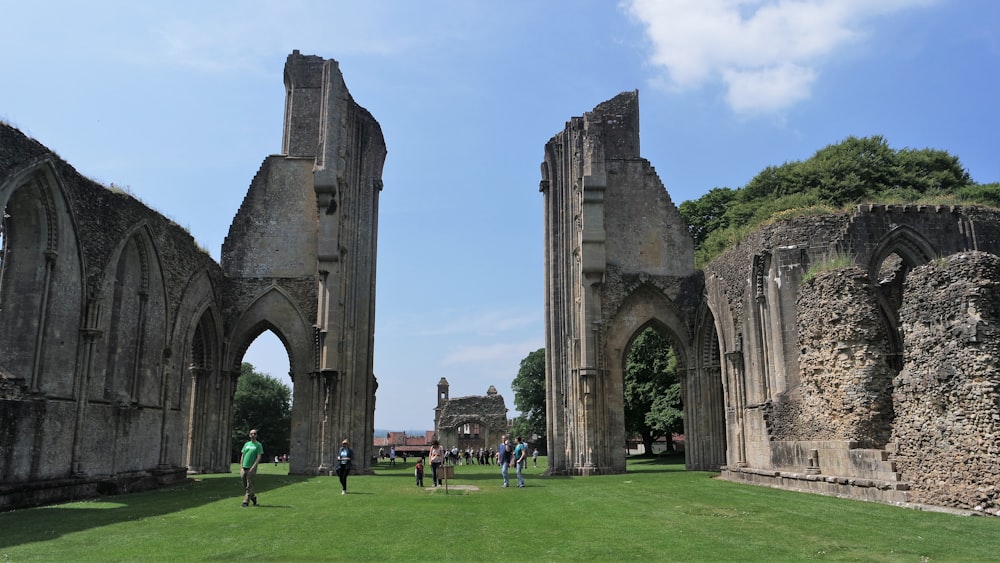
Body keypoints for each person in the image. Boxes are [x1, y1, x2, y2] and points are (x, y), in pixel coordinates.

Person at [240, 429, 263, 507]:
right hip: (244, 467)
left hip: (251, 468)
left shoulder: (258, 445)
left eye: (255, 434)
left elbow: (259, 457)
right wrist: (241, 466)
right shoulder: (246, 444)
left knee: (249, 485)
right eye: (251, 434)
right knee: (245, 484)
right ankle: (253, 497)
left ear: (256, 435)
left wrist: (253, 467)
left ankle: (245, 501)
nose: (253, 435)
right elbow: (243, 455)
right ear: (249, 435)